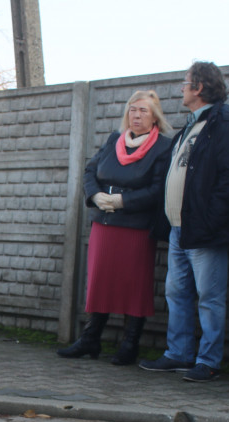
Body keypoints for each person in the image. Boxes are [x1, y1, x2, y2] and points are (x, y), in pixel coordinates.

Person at [139, 61, 229, 382]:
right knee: (176, 293)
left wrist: (210, 220)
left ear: (199, 88)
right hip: (179, 229)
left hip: (204, 230)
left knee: (209, 297)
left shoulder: (225, 125)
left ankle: (208, 360)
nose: (181, 88)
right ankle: (178, 354)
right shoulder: (190, 126)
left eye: (185, 82)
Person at [59, 90, 174, 365]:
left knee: (134, 285)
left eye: (143, 110)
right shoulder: (114, 140)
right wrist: (95, 196)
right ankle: (91, 338)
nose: (136, 115)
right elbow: (90, 171)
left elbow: (159, 189)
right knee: (100, 281)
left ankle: (130, 343)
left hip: (135, 227)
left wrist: (124, 200)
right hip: (105, 223)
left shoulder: (163, 147)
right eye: (133, 109)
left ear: (154, 116)